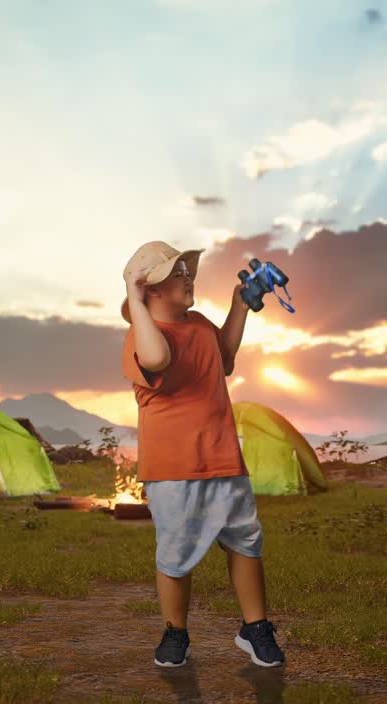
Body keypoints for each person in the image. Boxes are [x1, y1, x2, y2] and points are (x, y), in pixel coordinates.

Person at [120, 240, 286, 669]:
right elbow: (157, 357)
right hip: (174, 467)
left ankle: (255, 627)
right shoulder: (141, 338)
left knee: (246, 541)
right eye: (176, 274)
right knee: (176, 550)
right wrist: (133, 298)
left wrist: (240, 307)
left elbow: (224, 360)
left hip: (223, 456)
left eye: (187, 271)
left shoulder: (198, 325)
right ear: (150, 290)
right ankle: (176, 632)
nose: (188, 277)